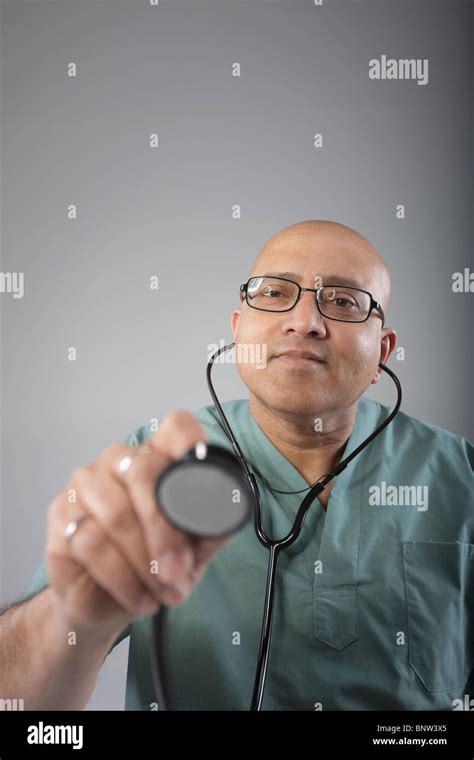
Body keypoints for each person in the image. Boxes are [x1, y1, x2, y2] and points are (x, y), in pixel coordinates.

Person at [1, 220, 472, 711]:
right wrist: (71, 616)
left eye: (343, 301)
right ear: (237, 329)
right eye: (274, 292)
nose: (305, 320)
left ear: (384, 352)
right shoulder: (153, 466)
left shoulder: (462, 478)